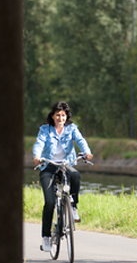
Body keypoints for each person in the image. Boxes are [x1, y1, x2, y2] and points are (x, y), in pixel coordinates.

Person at [32, 101, 93, 252]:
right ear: (52, 116)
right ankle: (46, 237)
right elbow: (38, 143)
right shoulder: (45, 130)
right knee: (50, 203)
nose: (60, 118)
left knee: (76, 175)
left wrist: (87, 152)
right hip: (48, 166)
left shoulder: (71, 129)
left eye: (63, 115)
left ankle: (73, 206)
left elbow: (80, 140)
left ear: (67, 117)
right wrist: (37, 156)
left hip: (65, 164)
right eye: (57, 115)